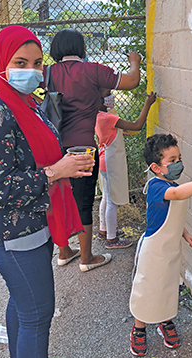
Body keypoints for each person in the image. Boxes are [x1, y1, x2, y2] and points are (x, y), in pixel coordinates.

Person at [0, 26, 96, 358]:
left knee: (21, 302)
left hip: (33, 223)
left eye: (38, 63)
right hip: (11, 232)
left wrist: (62, 162)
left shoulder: (24, 102)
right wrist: (58, 171)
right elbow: (4, 189)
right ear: (2, 64)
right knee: (37, 315)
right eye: (20, 62)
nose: (32, 70)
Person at [43, 29, 141, 271]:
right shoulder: (94, 70)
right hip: (83, 147)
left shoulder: (47, 73)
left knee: (59, 200)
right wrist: (134, 61)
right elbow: (131, 81)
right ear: (82, 49)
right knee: (83, 202)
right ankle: (87, 258)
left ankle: (64, 252)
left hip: (55, 149)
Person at [129, 133, 192, 356]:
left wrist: (184, 234)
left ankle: (165, 322)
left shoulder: (171, 183)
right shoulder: (157, 186)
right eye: (172, 161)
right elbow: (175, 194)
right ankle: (139, 328)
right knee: (147, 289)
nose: (178, 164)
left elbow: (167, 216)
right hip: (153, 251)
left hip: (171, 248)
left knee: (168, 286)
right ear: (156, 167)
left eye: (179, 158)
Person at [95, 90, 157, 249]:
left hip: (103, 160)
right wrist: (148, 103)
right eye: (107, 93)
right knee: (112, 201)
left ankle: (104, 231)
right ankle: (112, 239)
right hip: (110, 162)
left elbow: (123, 131)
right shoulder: (108, 118)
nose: (111, 96)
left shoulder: (96, 115)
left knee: (106, 198)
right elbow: (137, 125)